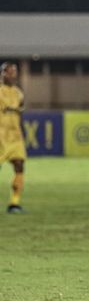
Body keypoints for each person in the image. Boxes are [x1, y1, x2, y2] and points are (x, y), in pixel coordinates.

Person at [0, 62, 27, 214]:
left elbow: (20, 113)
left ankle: (14, 203)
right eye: (8, 72)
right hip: (0, 136)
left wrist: (22, 131)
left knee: (19, 165)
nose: (11, 75)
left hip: (15, 136)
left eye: (13, 72)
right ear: (2, 74)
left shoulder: (19, 93)